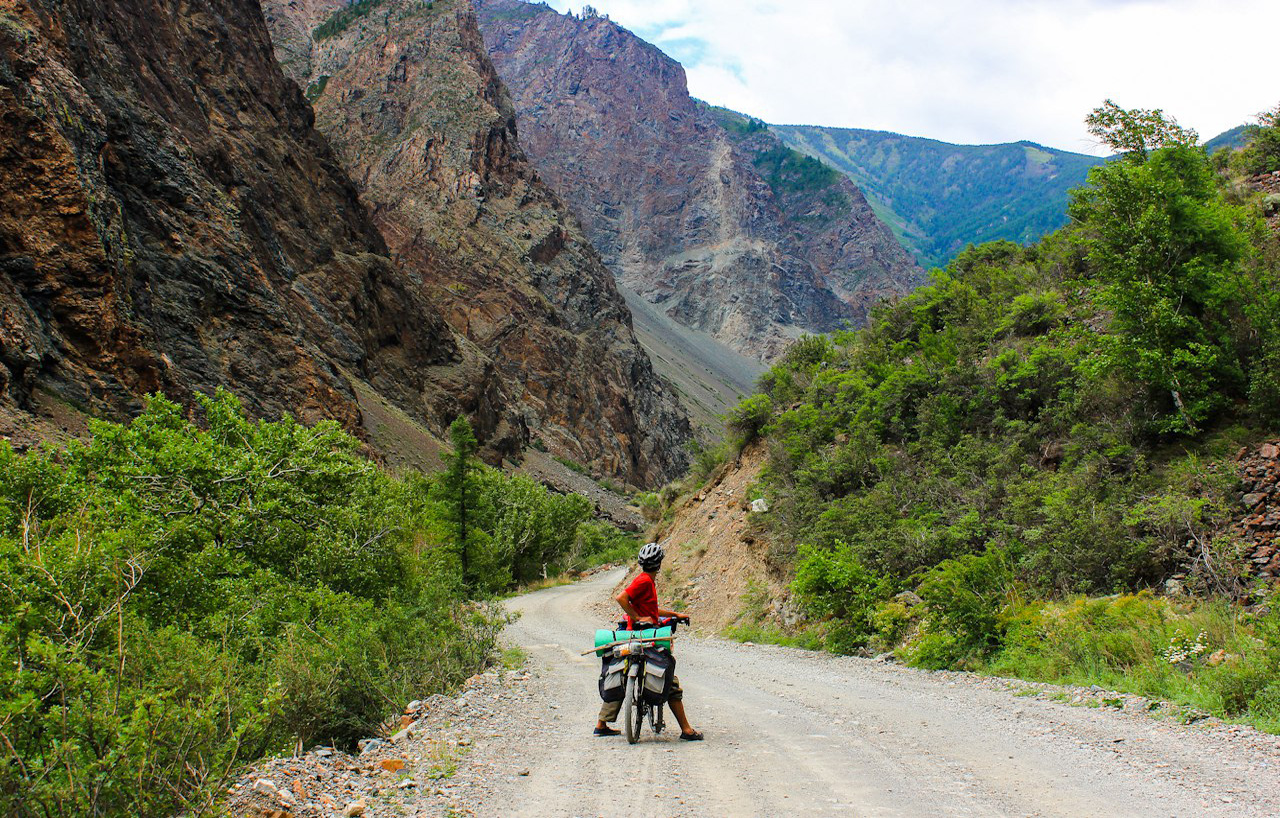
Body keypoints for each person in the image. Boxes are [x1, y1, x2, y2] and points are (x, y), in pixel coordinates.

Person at [594, 542, 704, 740]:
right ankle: (686, 730)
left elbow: (652, 610)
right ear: (659, 564)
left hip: (632, 635)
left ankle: (601, 724)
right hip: (645, 637)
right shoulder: (644, 581)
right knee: (669, 681)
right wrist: (637, 618)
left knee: (621, 672)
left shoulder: (645, 581)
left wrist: (673, 613)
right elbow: (621, 598)